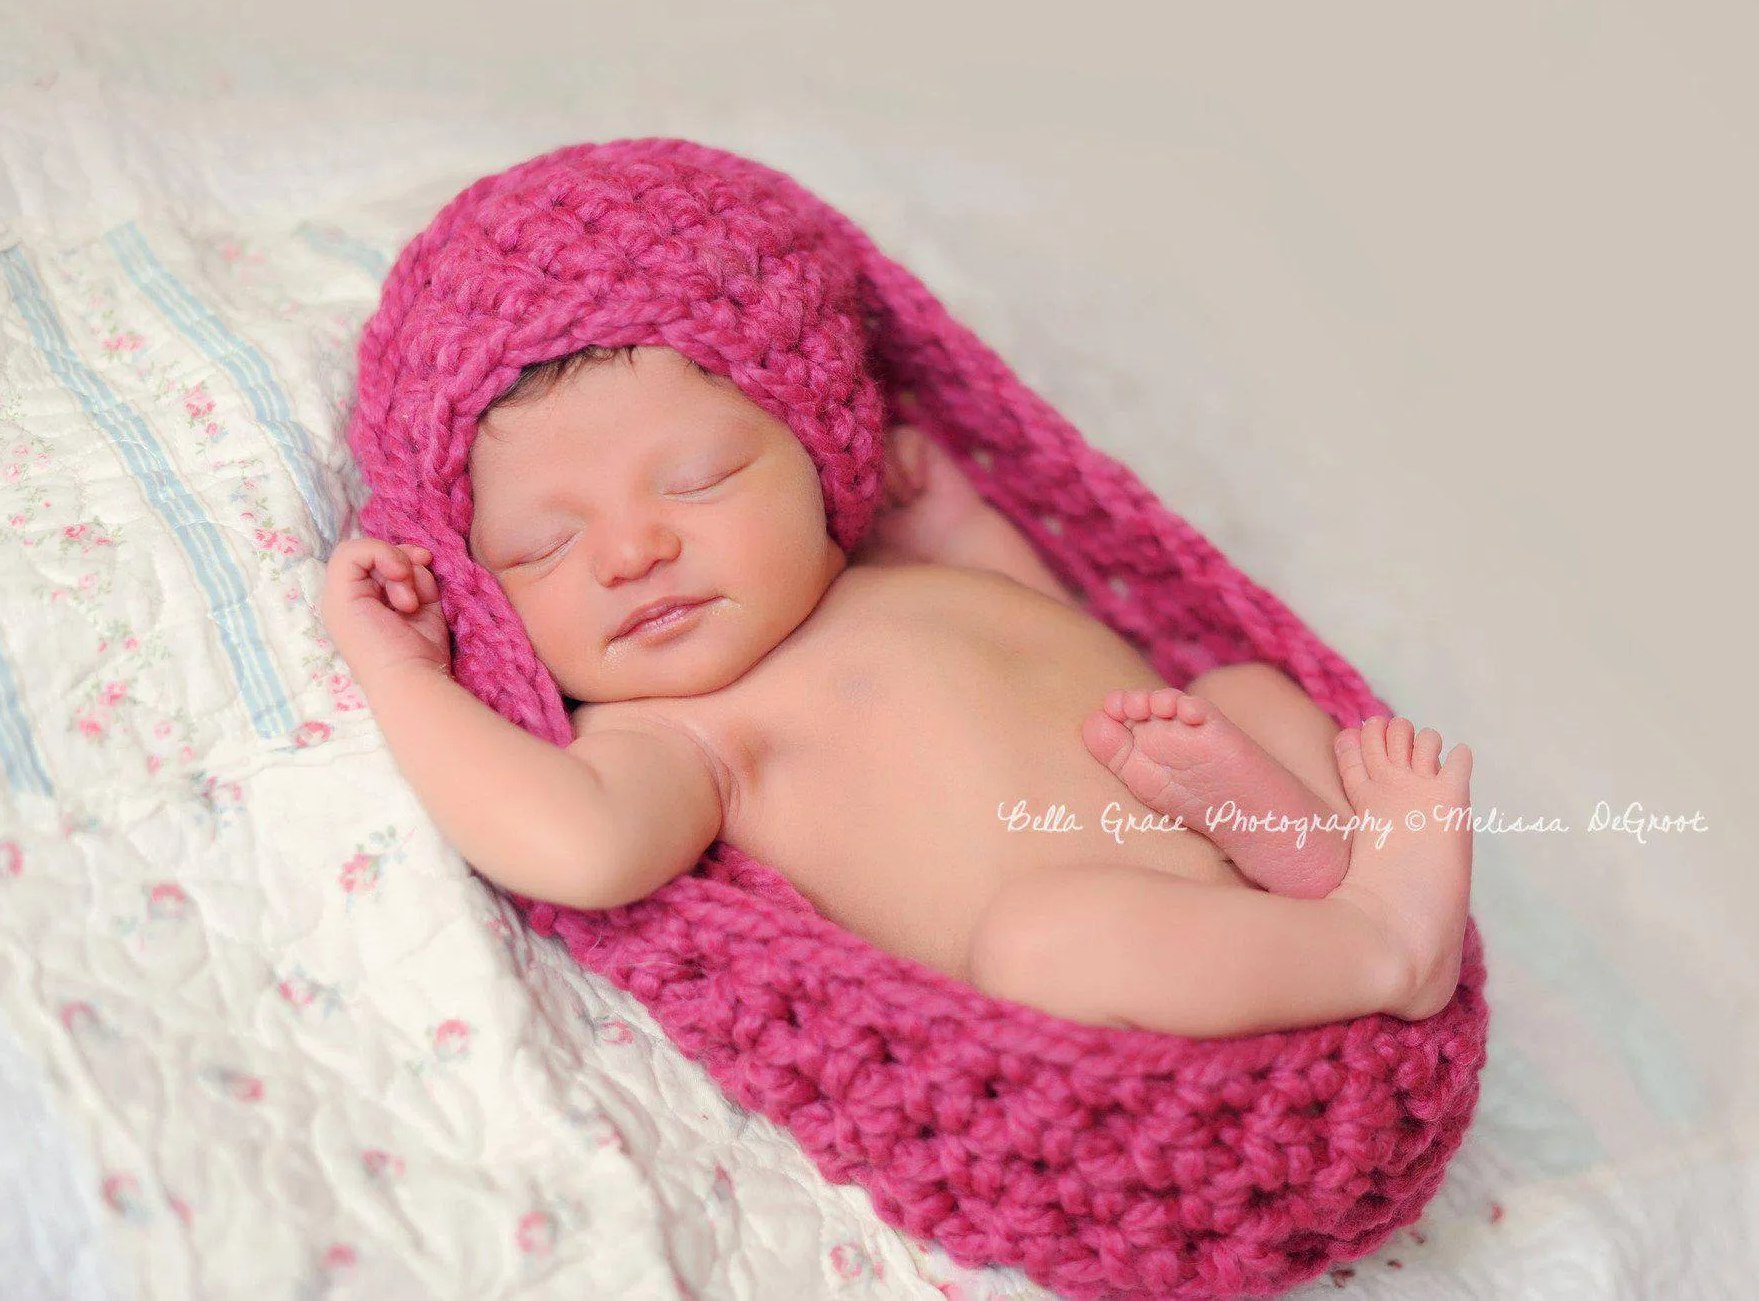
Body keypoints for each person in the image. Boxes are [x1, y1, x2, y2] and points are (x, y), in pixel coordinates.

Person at [320, 340, 1474, 1041]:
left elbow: (1050, 648)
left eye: (699, 480)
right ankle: (1378, 945)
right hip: (1132, 972)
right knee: (1045, 941)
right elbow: (573, 845)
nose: (631, 553)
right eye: (541, 547)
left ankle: (1312, 866)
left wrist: (962, 529)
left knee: (1244, 686)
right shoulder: (677, 730)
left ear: (822, 474)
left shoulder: (894, 580)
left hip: (1233, 860)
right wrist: (401, 670)